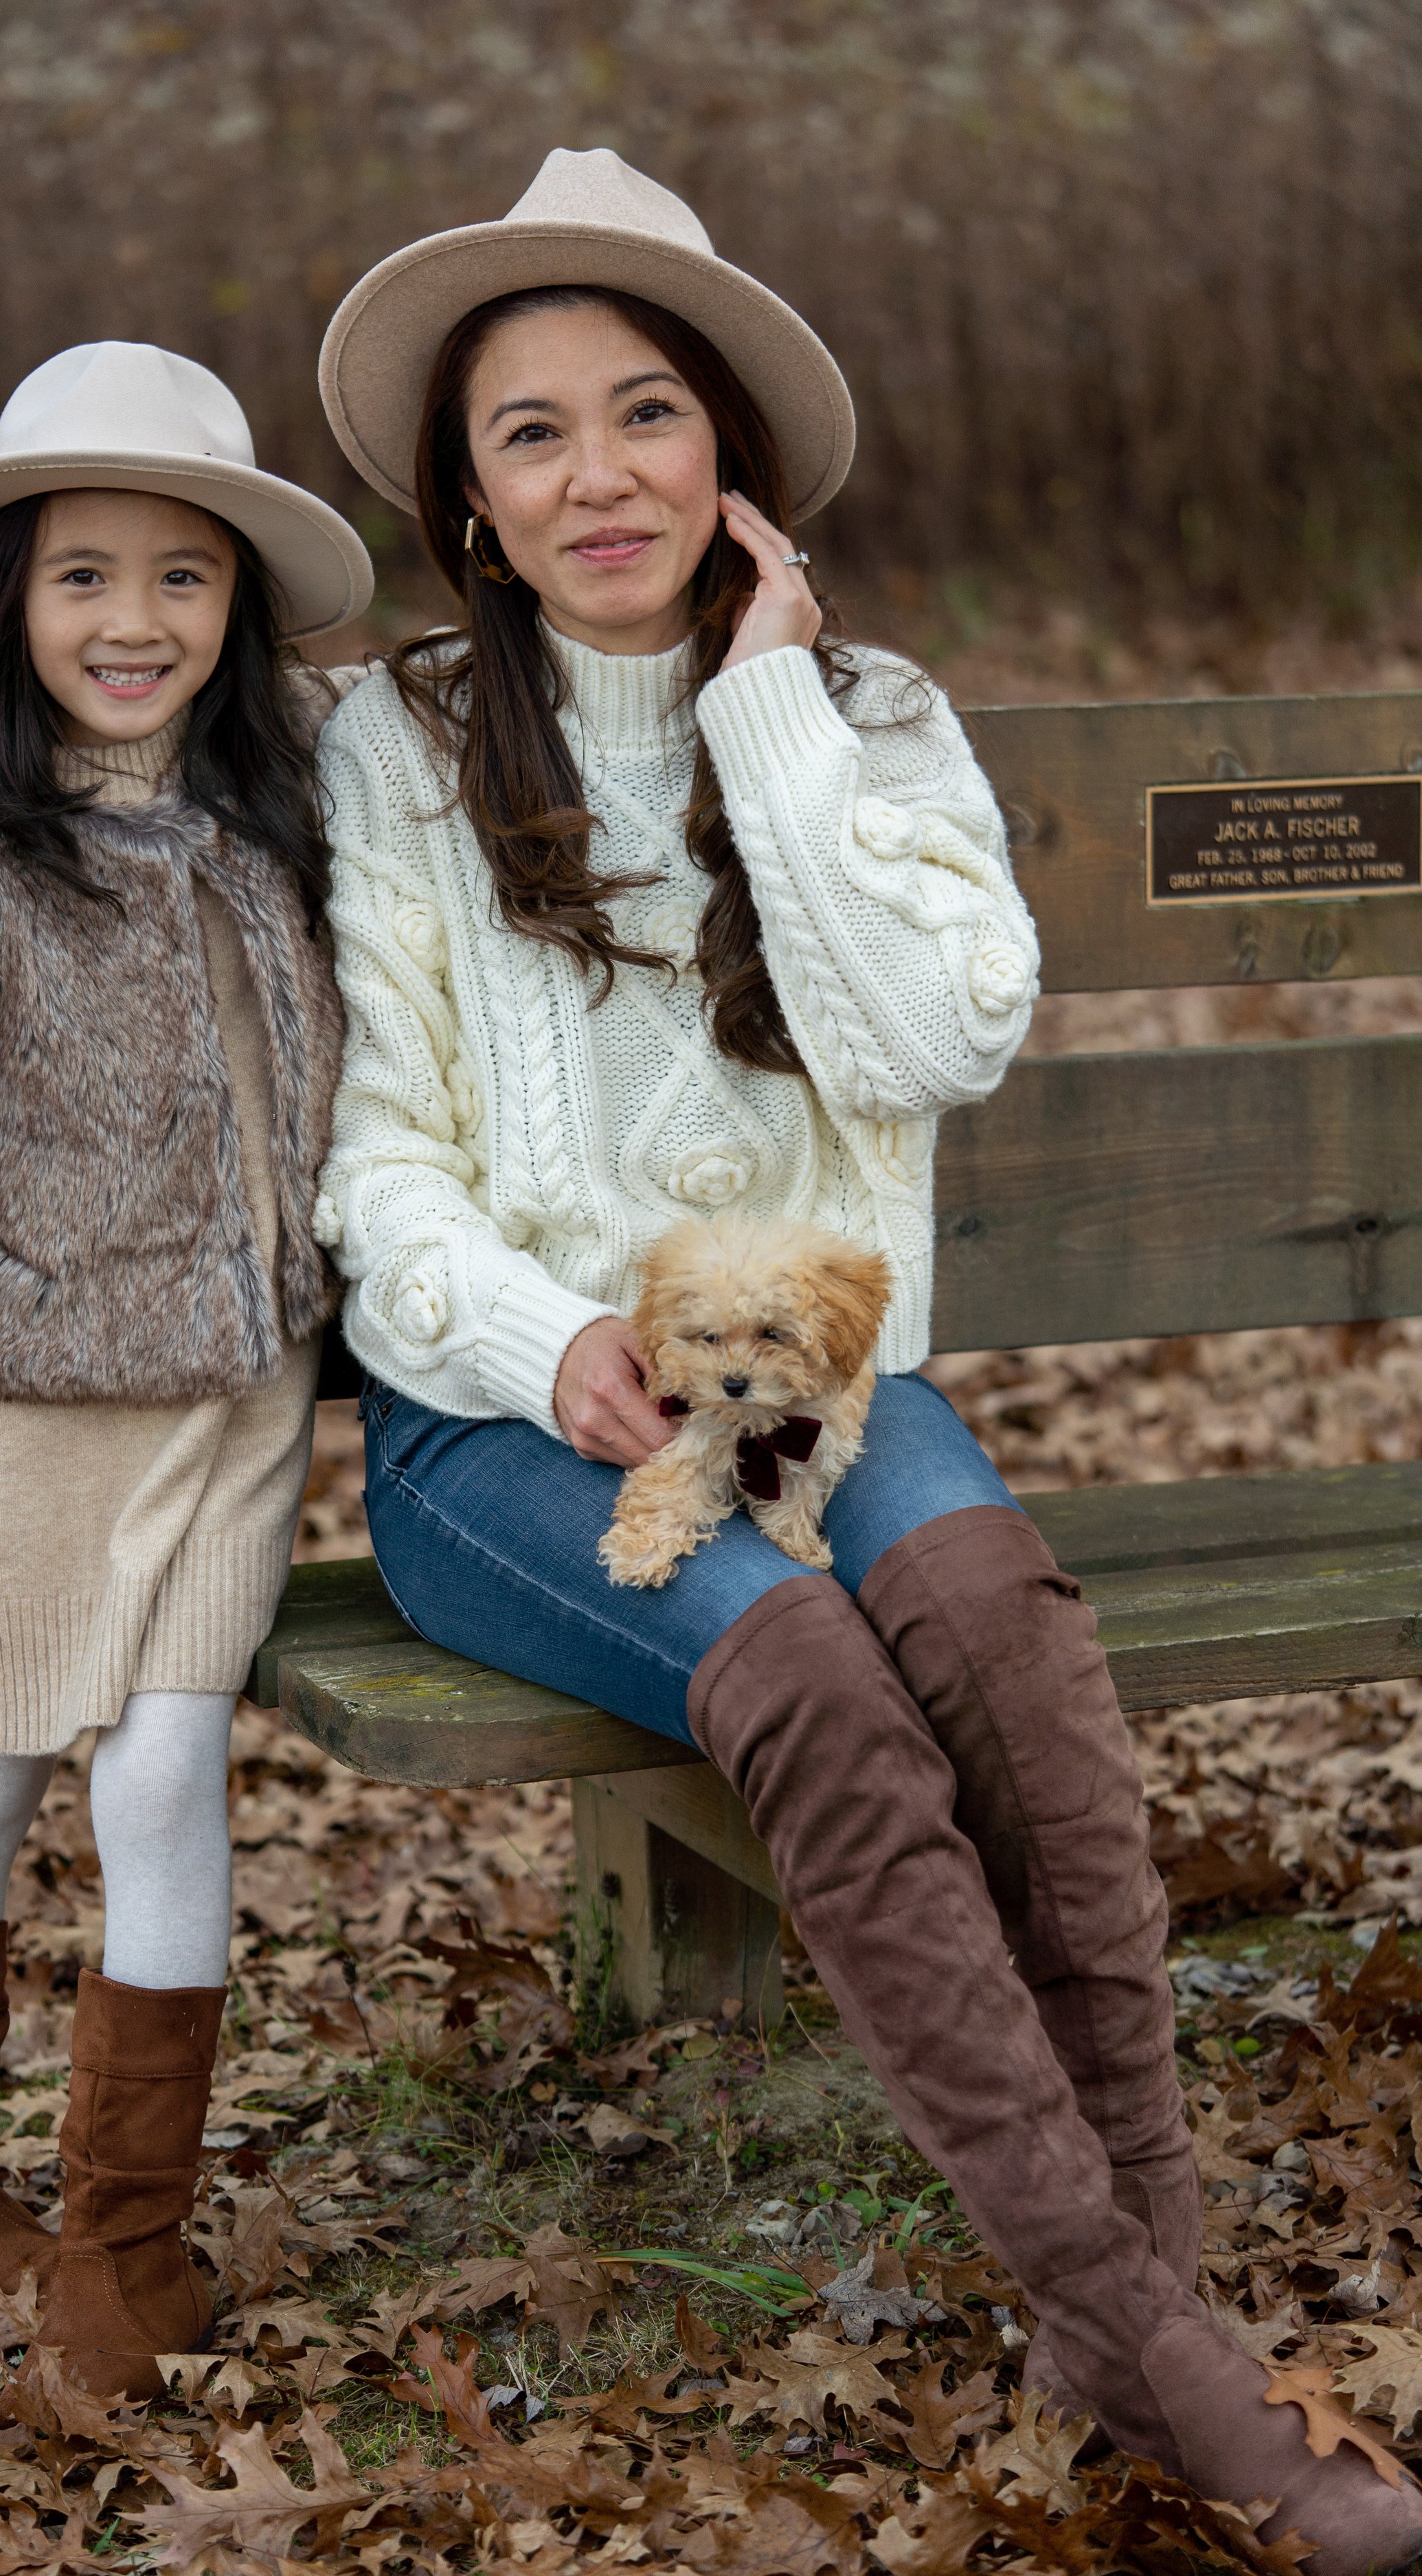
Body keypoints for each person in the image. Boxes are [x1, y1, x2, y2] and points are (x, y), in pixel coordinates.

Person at [311, 152, 1422, 2566]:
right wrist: (542, 1334)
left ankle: (1136, 2324)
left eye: (645, 415)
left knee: (1006, 1639)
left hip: (818, 1386)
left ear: (732, 460)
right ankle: (1195, 2384)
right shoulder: (385, 752)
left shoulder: (867, 722)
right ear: (471, 508)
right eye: (529, 436)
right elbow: (372, 1160)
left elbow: (927, 1043)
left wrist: (767, 720)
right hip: (506, 1425)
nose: (596, 474)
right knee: (807, 1674)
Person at [0, 341, 371, 2398]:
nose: (132, 621)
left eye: (181, 576)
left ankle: (123, 2241)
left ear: (234, 607)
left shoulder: (284, 811)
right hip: (31, 1396)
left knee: (162, 1764)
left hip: (235, 1398)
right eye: (81, 575)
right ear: (7, 602)